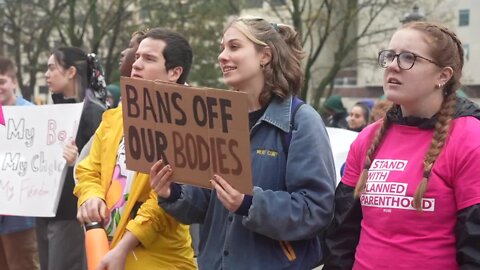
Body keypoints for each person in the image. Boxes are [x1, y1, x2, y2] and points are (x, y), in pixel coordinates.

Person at [150, 17, 336, 269]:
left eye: (234, 47)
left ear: (265, 56)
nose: (222, 56)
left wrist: (249, 203)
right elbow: (207, 203)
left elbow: (316, 210)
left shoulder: (301, 121)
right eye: (222, 48)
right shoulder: (217, 119)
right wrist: (173, 192)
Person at [324, 21, 480, 269]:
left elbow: (475, 246)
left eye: (409, 58)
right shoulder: (367, 138)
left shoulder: (470, 138)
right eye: (390, 56)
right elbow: (342, 235)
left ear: (443, 75)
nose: (393, 66)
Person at [74, 28, 196, 269]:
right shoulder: (116, 116)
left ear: (175, 72)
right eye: (137, 56)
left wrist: (124, 246)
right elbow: (88, 170)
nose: (136, 64)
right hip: (107, 250)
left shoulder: (190, 124)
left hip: (158, 259)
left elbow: (166, 204)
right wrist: (90, 197)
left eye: (149, 59)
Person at [38, 47, 107, 270]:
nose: (46, 75)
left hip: (71, 212)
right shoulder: (52, 113)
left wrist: (77, 161)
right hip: (46, 207)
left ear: (70, 72)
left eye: (51, 68)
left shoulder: (94, 113)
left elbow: (103, 167)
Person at [0, 57, 40, 270]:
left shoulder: (31, 114)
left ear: (14, 82)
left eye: (1, 81)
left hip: (20, 215)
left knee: (24, 265)